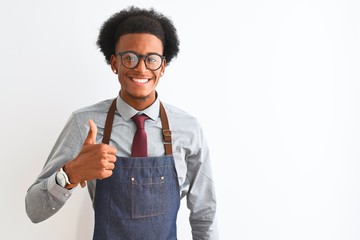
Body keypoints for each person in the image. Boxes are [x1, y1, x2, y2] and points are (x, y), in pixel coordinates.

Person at [25, 6, 218, 240]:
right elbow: (33, 210)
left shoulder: (188, 128)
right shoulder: (84, 123)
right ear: (114, 63)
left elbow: (204, 214)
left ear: (163, 66)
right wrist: (70, 174)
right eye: (130, 58)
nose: (141, 67)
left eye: (152, 59)